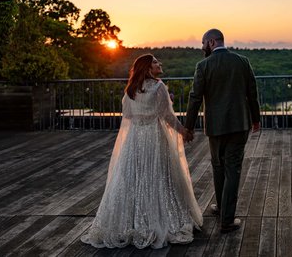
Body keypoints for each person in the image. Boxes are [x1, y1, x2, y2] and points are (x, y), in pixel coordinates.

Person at [81, 54, 203, 249]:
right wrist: (184, 132)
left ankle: (131, 220)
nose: (159, 63)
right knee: (158, 177)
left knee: (133, 178)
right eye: (155, 62)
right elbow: (168, 117)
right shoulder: (159, 87)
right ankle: (161, 219)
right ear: (147, 68)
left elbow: (128, 115)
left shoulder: (130, 90)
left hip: (135, 139)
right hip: (154, 137)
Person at [184, 29, 260, 233]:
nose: (201, 48)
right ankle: (226, 216)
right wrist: (256, 119)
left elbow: (195, 98)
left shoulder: (203, 66)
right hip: (239, 124)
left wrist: (188, 127)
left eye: (202, 44)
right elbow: (252, 92)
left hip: (215, 127)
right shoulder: (242, 62)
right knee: (232, 169)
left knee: (218, 166)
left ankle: (222, 212)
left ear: (211, 42)